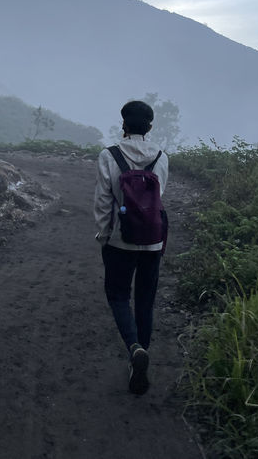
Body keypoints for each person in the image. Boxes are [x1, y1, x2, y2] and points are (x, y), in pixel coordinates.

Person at [94, 100, 169, 395]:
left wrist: (103, 234)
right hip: (152, 240)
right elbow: (158, 197)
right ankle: (140, 357)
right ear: (150, 127)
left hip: (119, 240)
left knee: (117, 295)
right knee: (145, 301)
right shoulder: (162, 158)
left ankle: (134, 347)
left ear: (123, 125)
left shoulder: (109, 155)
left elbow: (103, 200)